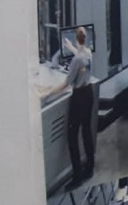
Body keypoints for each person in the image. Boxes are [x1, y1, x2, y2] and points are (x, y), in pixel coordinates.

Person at [42, 27, 95, 187]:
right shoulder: (88, 53)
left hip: (79, 97)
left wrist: (48, 91)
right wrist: (71, 47)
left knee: (72, 136)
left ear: (77, 39)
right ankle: (89, 168)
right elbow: (80, 56)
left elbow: (66, 84)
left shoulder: (76, 60)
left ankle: (77, 176)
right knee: (86, 131)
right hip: (89, 93)